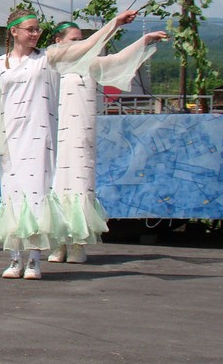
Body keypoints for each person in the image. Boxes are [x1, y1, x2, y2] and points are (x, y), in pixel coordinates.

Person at [0, 7, 139, 279]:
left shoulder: (47, 58)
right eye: (31, 30)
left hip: (39, 138)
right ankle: (15, 259)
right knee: (12, 196)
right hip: (12, 139)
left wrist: (114, 24)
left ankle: (34, 259)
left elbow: (85, 46)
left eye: (38, 30)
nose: (36, 34)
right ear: (14, 32)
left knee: (37, 196)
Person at [48, 22, 168, 263]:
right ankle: (58, 241)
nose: (80, 44)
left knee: (80, 181)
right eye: (74, 40)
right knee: (56, 182)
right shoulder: (52, 61)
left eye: (82, 39)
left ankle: (78, 243)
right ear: (58, 41)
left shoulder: (91, 64)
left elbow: (118, 60)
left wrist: (144, 41)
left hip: (81, 134)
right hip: (55, 133)